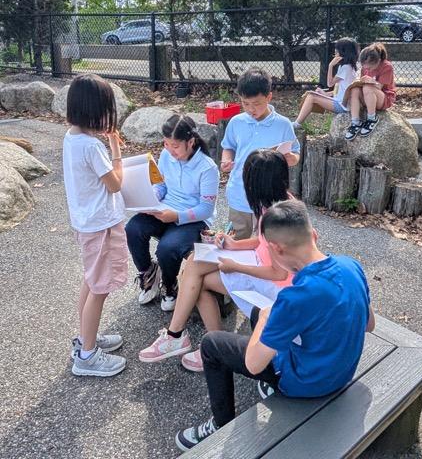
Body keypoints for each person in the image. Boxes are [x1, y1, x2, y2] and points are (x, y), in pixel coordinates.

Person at [175, 199, 375, 451]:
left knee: (212, 344)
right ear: (314, 234)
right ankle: (269, 381)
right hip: (341, 372)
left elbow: (253, 364)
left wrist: (266, 319)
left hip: (306, 383)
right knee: (260, 312)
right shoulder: (351, 266)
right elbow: (369, 324)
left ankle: (220, 423)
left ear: (276, 249)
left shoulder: (294, 298)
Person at [138, 150, 293, 372]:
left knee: (197, 278)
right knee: (195, 263)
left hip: (274, 286)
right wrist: (233, 244)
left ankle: (181, 337)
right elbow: (262, 241)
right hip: (259, 264)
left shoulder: (279, 218)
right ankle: (201, 342)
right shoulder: (276, 202)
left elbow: (280, 273)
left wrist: (236, 266)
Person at [63, 74, 128, 377]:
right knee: (100, 288)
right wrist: (116, 150)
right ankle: (87, 356)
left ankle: (86, 337)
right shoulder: (91, 146)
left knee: (91, 281)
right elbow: (115, 184)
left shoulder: (71, 137)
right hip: (101, 225)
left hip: (86, 223)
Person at [125, 114, 219, 311]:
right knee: (133, 228)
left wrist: (177, 216)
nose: (169, 149)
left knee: (167, 248)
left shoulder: (207, 168)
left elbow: (206, 209)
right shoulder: (167, 154)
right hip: (165, 209)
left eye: (175, 146)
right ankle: (149, 273)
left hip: (193, 218)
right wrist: (151, 198)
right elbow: (161, 185)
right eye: (166, 144)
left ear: (190, 142)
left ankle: (170, 286)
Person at [221, 67, 300, 240]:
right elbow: (228, 146)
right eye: (245, 103)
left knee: (266, 239)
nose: (251, 109)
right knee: (237, 237)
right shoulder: (236, 122)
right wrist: (226, 160)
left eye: (256, 104)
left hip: (269, 194)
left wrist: (291, 159)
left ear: (269, 97)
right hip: (239, 192)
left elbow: (295, 153)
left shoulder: (283, 124)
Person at [293, 37, 359, 128]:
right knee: (312, 95)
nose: (335, 51)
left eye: (337, 49)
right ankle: (297, 123)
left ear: (344, 52)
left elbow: (329, 84)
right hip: (340, 102)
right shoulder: (348, 66)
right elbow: (342, 90)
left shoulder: (346, 68)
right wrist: (325, 94)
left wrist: (330, 65)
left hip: (342, 106)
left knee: (311, 97)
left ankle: (296, 124)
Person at [345, 42, 396, 140]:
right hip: (368, 97)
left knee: (367, 87)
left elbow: (380, 87)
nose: (367, 69)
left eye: (369, 67)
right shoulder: (365, 68)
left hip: (384, 98)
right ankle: (355, 122)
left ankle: (372, 118)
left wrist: (372, 81)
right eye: (364, 67)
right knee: (355, 90)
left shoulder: (387, 66)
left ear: (378, 61)